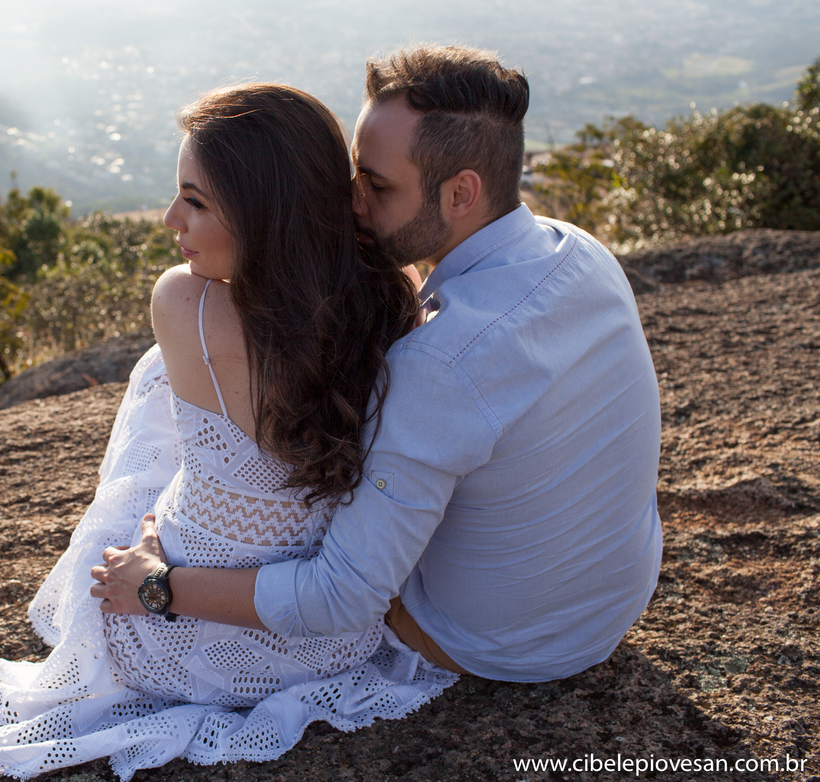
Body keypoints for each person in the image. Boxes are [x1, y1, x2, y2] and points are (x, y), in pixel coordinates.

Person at [93, 44, 663, 683]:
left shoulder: (441, 362)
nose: (353, 205)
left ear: (461, 193)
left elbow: (343, 597)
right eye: (354, 178)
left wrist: (159, 586)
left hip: (496, 645)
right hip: (613, 607)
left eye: (379, 186)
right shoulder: (581, 253)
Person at [0, 83, 458, 782]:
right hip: (328, 643)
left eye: (195, 201)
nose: (171, 220)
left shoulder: (184, 302)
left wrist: (155, 540)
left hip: (173, 632)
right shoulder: (390, 299)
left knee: (154, 388)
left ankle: (159, 530)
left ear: (264, 216)